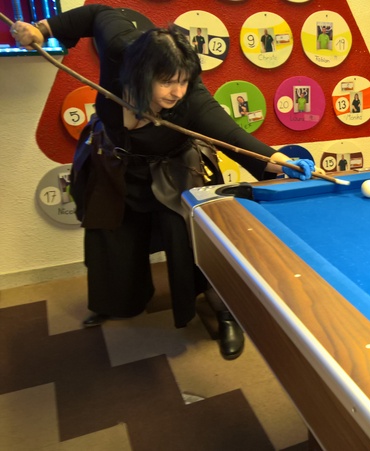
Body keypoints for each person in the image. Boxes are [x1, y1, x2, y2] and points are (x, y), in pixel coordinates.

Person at [10, 5, 318, 361]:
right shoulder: (119, 45)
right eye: (167, 81)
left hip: (174, 167)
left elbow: (233, 137)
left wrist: (279, 162)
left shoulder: (192, 100)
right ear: (140, 73)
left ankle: (224, 311)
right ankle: (117, 302)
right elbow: (96, 13)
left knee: (194, 241)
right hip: (116, 161)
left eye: (184, 80)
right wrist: (43, 28)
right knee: (111, 233)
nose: (177, 92)